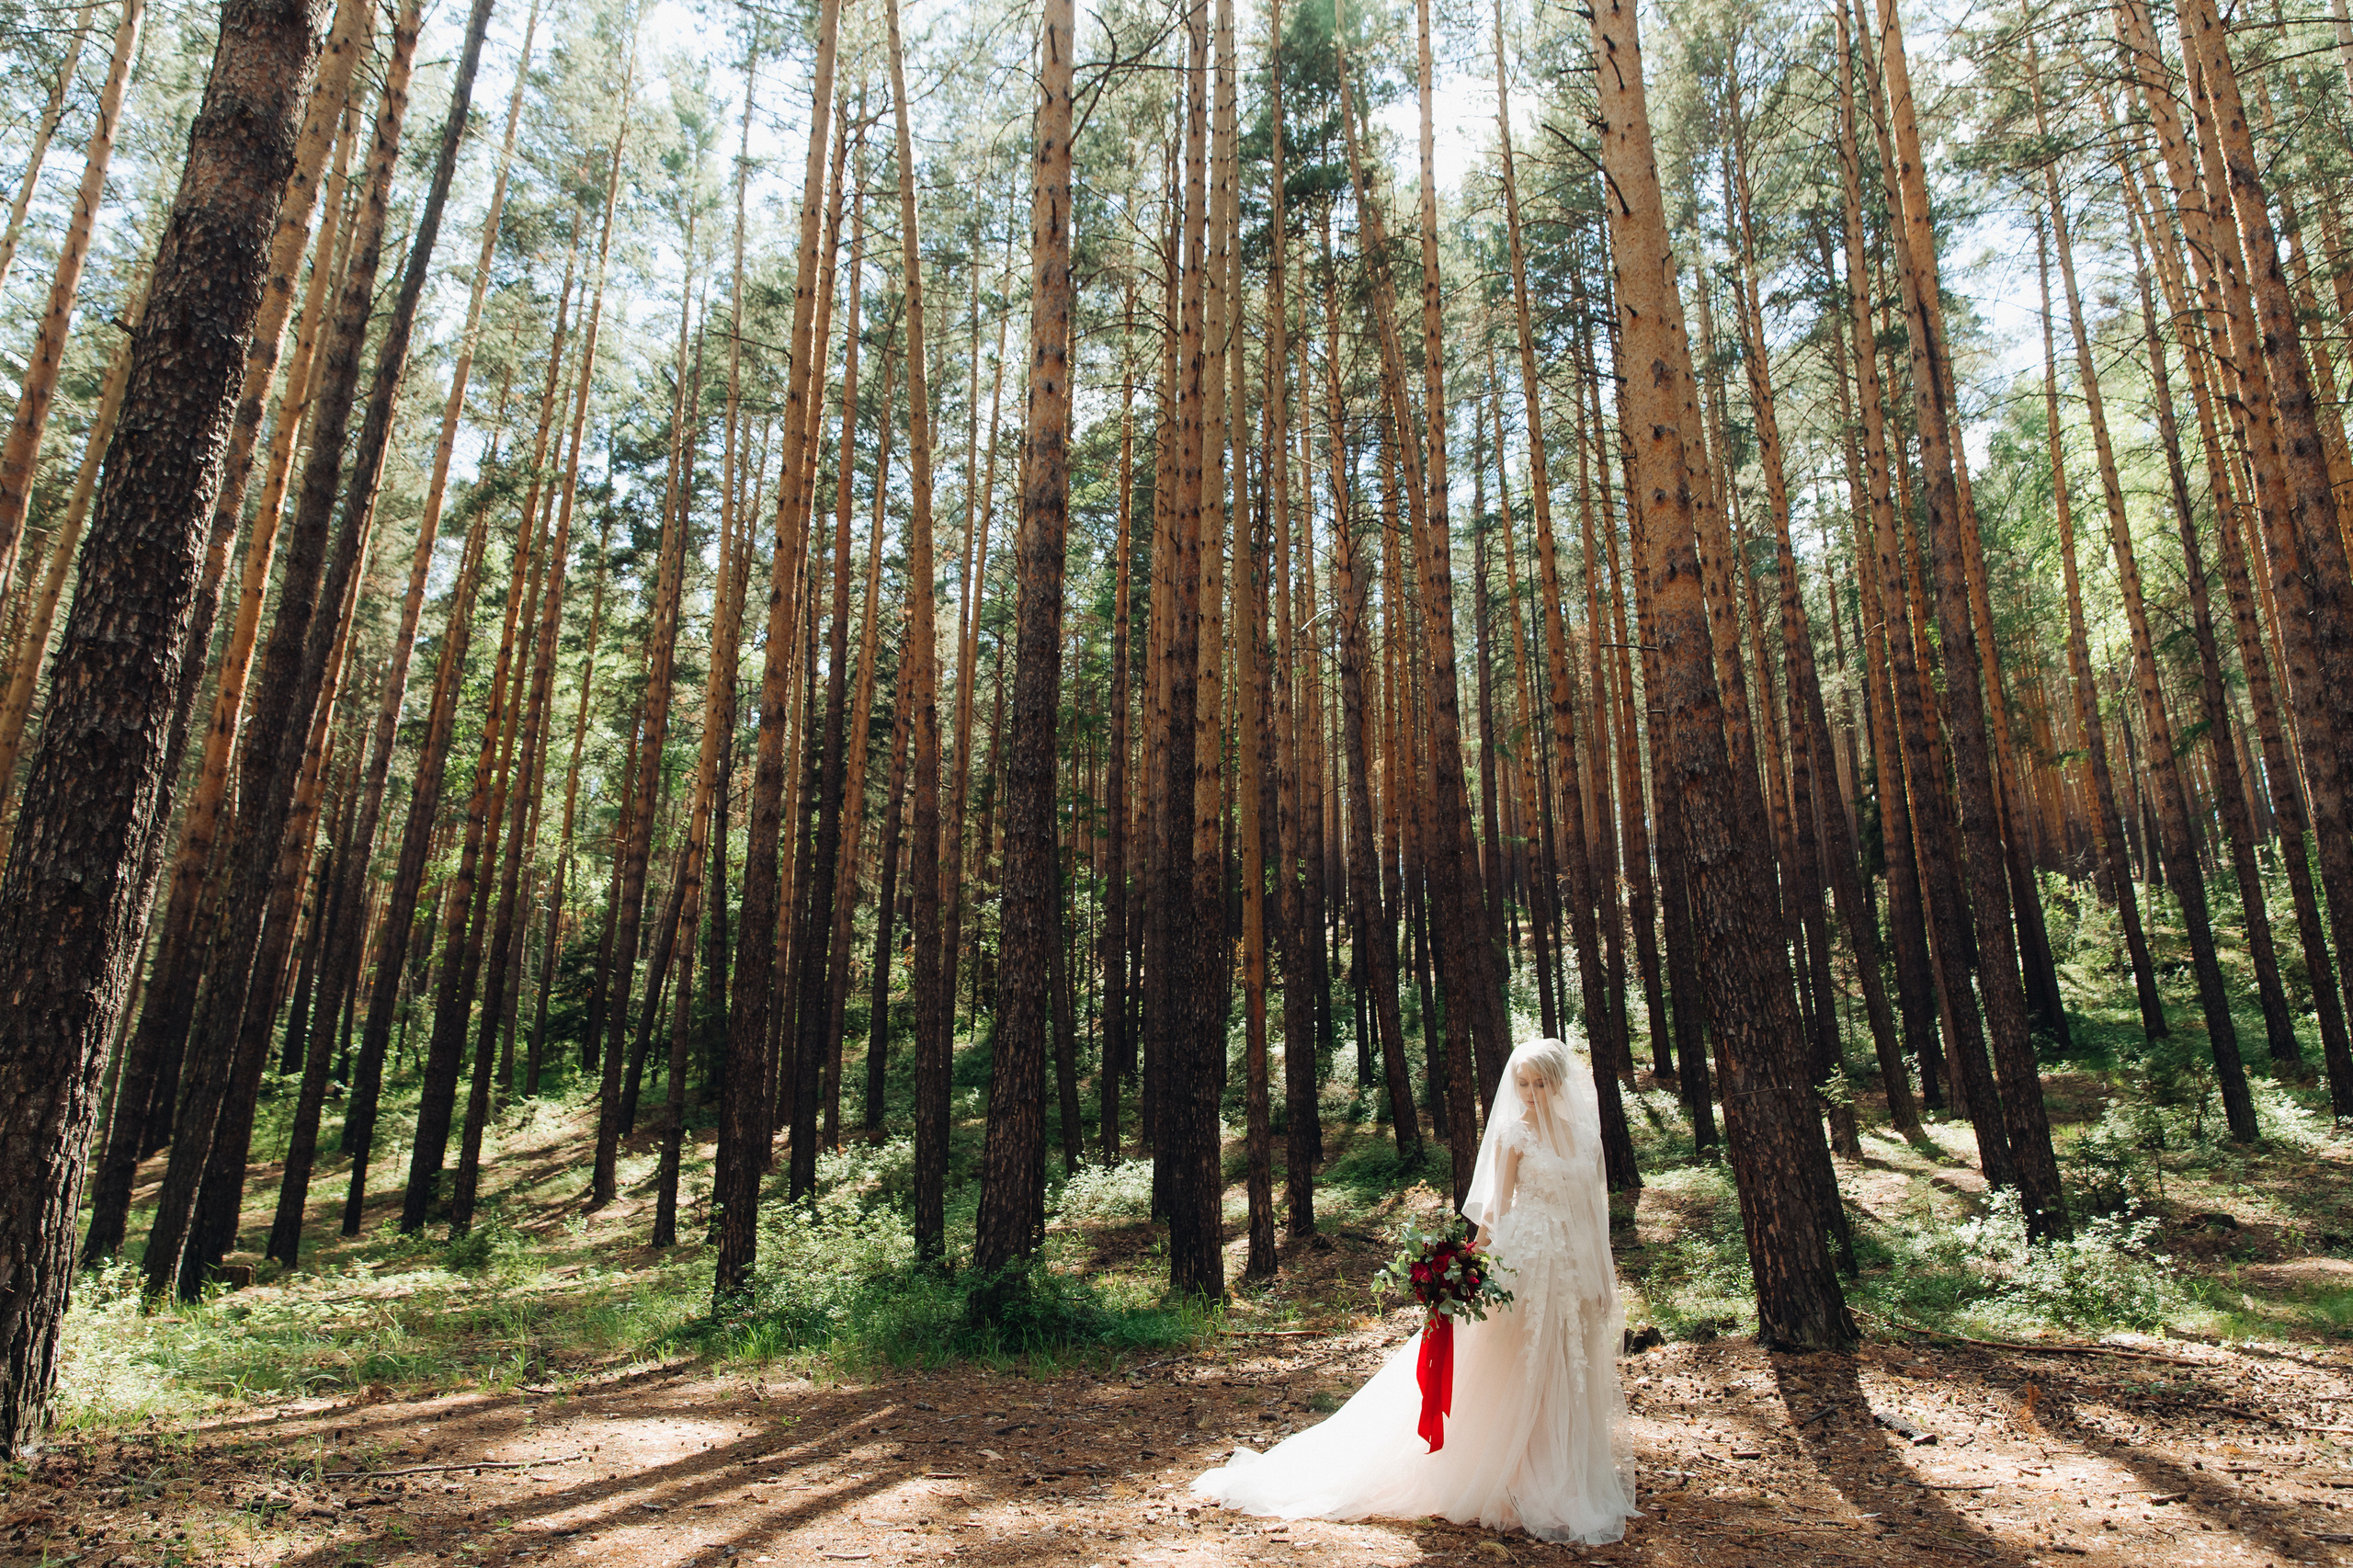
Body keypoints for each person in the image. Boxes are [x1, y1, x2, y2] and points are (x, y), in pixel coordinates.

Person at [1193, 1035, 1638, 1544]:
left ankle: (1560, 1478)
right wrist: (1472, 1266)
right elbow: (1494, 1210)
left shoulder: (1584, 1138)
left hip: (1573, 1265)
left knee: (1566, 1366)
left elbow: (1593, 1214)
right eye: (1523, 1083)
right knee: (1514, 1366)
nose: (1531, 1092)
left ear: (1560, 1083)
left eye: (1541, 1083)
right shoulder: (1513, 1135)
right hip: (1526, 1262)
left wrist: (1602, 1276)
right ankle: (1508, 1477)